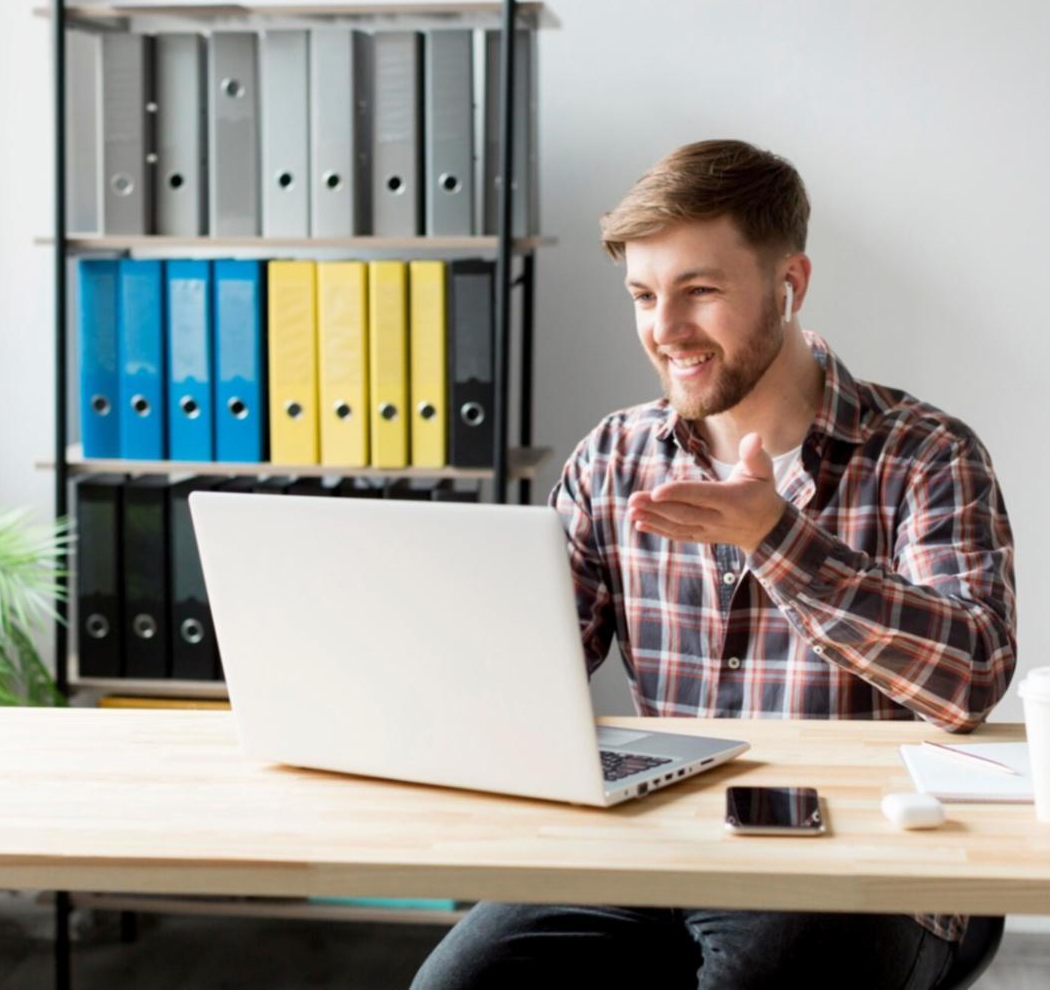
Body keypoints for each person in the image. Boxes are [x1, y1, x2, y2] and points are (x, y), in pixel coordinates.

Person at [411, 140, 1018, 990]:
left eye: (698, 290)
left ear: (788, 285)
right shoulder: (613, 458)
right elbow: (529, 670)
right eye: (643, 296)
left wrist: (777, 539)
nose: (664, 330)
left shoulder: (924, 454)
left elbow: (969, 679)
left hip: (863, 862)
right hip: (656, 850)